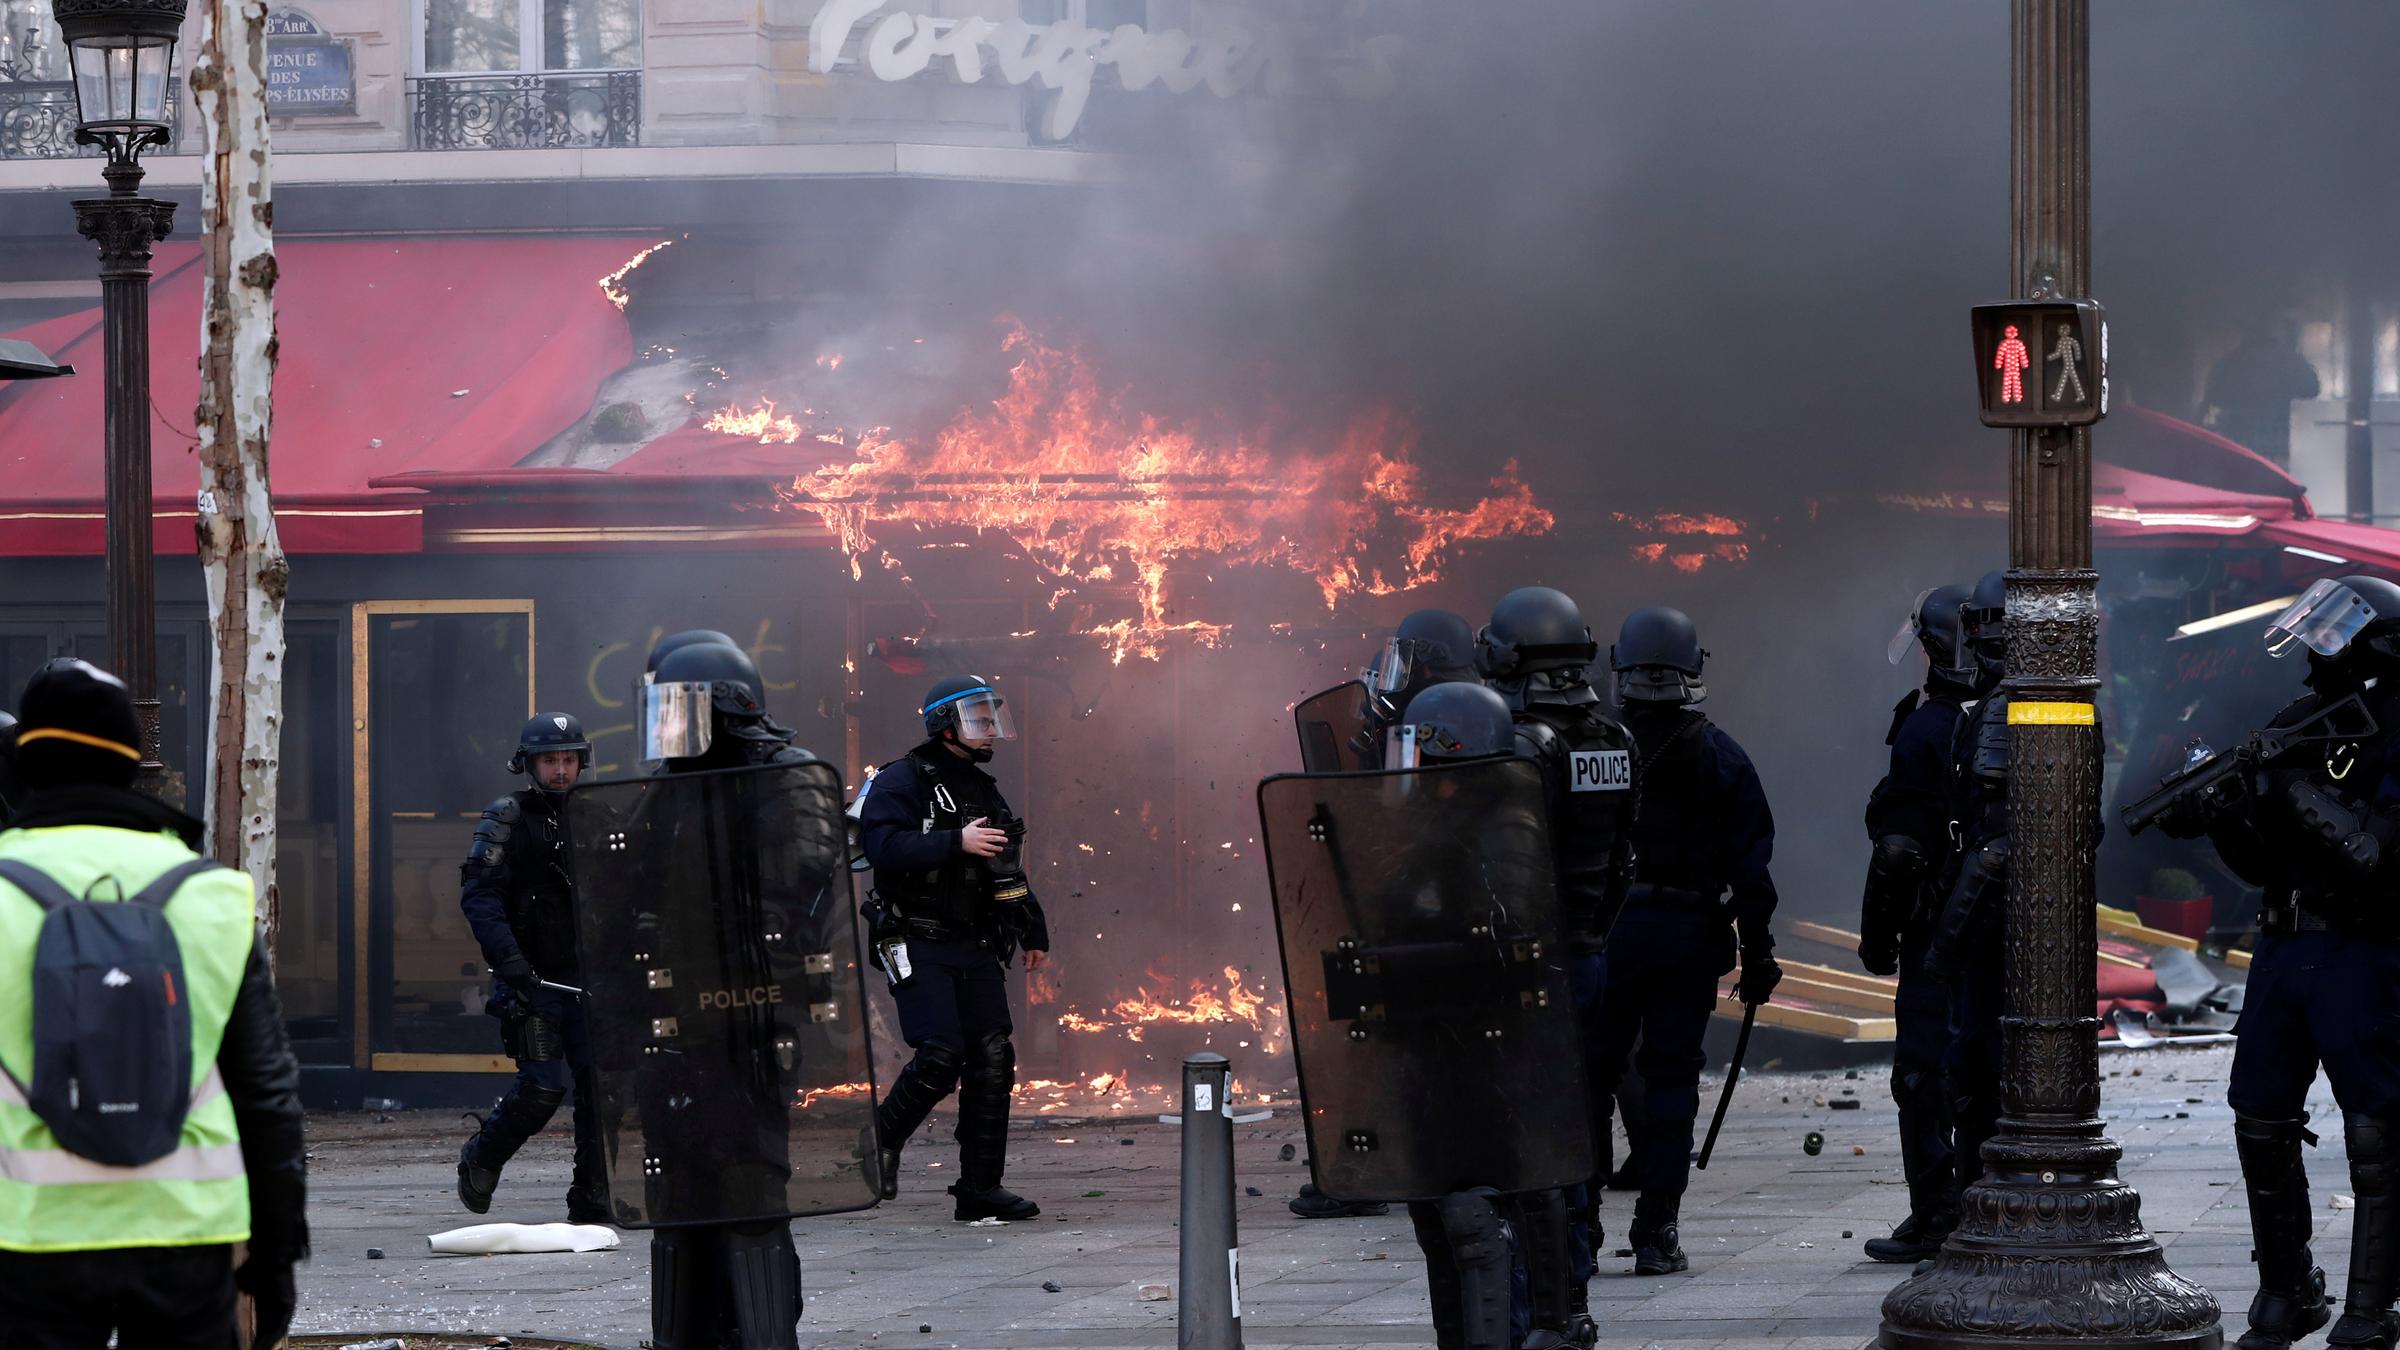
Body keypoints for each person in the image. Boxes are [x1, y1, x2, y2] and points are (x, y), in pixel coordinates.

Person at [0, 659, 307, 1348]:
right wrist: (278, 1250)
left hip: (25, 1236)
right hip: (186, 1232)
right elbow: (266, 1092)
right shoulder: (210, 894)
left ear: (24, 762)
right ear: (130, 763)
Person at [2155, 575, 2400, 1350]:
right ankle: (2287, 1293)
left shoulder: (2395, 722)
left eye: (2332, 634)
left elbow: (2376, 857)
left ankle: (2371, 1312)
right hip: (2283, 943)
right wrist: (2224, 814)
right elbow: (2261, 865)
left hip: (2361, 946)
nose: (2315, 650)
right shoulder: (2301, 719)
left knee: (2377, 1133)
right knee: (2260, 1117)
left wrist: (2291, 788)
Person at [633, 637, 828, 1348]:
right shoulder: (667, 786)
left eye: (678, 707)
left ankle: (764, 1336)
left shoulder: (787, 776)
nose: (665, 723)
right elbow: (629, 881)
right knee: (678, 1190)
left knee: (748, 1182)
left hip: (750, 1014)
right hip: (674, 1016)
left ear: (724, 707)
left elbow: (802, 878)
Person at [1589, 606, 1780, 1277]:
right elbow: (1751, 872)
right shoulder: (1721, 755)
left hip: (1606, 935)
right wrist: (1758, 952)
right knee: (1671, 1080)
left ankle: (1578, 1230)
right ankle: (1656, 1232)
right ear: (1692, 670)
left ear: (1620, 668)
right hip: (1686, 936)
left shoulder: (1591, 752)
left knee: (1590, 1078)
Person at [1475, 585, 1635, 1337]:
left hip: (1531, 962)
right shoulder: (1613, 741)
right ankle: (1573, 1283)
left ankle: (1540, 1305)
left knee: (1526, 1136)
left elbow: (1503, 869)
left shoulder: (1523, 746)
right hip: (1590, 953)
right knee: (1578, 1120)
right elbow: (1623, 858)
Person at [1287, 610, 1475, 1219]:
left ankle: (1363, 1172)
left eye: (1405, 659)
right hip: (1442, 915)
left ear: (1428, 662)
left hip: (1408, 911)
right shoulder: (1474, 716)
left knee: (1369, 1044)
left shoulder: (1430, 726)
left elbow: (1397, 815)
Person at [860, 674, 1051, 1223]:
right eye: (979, 719)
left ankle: (980, 1189)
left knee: (993, 1055)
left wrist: (1032, 929)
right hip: (916, 938)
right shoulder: (899, 780)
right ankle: (877, 1145)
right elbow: (882, 847)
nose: (990, 729)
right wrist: (954, 841)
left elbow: (1005, 865)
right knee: (941, 1053)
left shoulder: (982, 787)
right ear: (946, 725)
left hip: (976, 941)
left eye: (993, 719)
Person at [1856, 584, 1975, 1263]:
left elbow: (1900, 851)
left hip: (1937, 933)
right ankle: (1980, 1207)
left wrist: (1878, 938)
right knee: (1982, 1068)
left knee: (1924, 1075)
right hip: (2003, 931)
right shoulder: (2022, 716)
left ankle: (1937, 1216)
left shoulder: (1928, 726)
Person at [456, 711, 605, 1222]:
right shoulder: (508, 817)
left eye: (568, 759)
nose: (560, 770)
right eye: (549, 760)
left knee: (601, 1087)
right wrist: (511, 963)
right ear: (529, 764)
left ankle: (593, 1196)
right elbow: (480, 896)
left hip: (589, 977)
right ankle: (483, 1154)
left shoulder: (600, 815)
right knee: (541, 1088)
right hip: (534, 978)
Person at [1922, 570, 2011, 1218]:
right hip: (2001, 922)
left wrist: (1950, 933)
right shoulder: (1994, 707)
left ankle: (1988, 1212)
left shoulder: (2011, 708)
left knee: (1985, 1071)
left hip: (2002, 925)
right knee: (1976, 1069)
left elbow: (2003, 840)